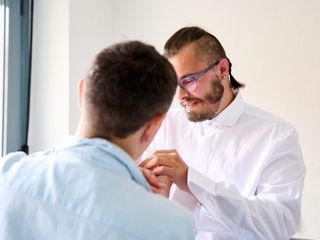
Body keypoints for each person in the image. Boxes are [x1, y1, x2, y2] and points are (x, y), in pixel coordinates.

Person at [0, 41, 197, 240]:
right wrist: (156, 207)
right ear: (154, 125)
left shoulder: (7, 172)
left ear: (81, 92)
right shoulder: (172, 226)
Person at [140, 26, 306, 240]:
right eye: (174, 84)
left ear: (222, 69)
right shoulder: (165, 126)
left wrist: (192, 180)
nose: (181, 95)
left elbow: (281, 224)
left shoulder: (277, 135)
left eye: (189, 81)